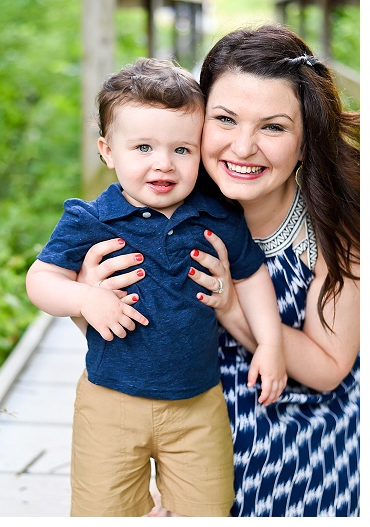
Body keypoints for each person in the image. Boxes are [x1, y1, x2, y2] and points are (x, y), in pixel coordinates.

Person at [77, 25, 359, 517]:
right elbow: (104, 331)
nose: (243, 147)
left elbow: (329, 369)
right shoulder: (155, 202)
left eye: (273, 127)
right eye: (225, 119)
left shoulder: (338, 226)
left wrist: (230, 304)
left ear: (306, 140)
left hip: (299, 432)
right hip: (174, 421)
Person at [26, 58, 286, 517]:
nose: (163, 164)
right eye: (142, 147)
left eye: (182, 150)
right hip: (110, 400)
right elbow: (41, 280)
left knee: (206, 508)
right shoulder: (91, 220)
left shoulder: (217, 216)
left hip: (197, 404)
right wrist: (86, 297)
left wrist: (269, 342)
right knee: (102, 509)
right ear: (108, 151)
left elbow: (250, 275)